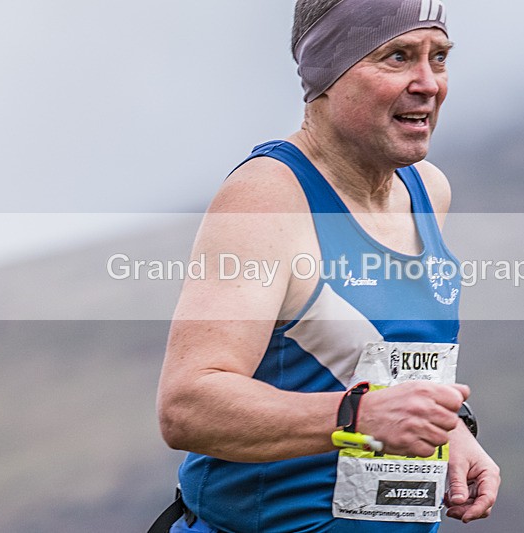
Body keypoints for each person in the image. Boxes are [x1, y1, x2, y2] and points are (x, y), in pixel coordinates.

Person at [156, 0, 500, 531]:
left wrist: (449, 428)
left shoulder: (427, 190)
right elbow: (189, 405)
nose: (428, 83)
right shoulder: (269, 198)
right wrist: (356, 419)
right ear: (327, 73)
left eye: (440, 57)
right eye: (398, 56)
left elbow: (368, 358)